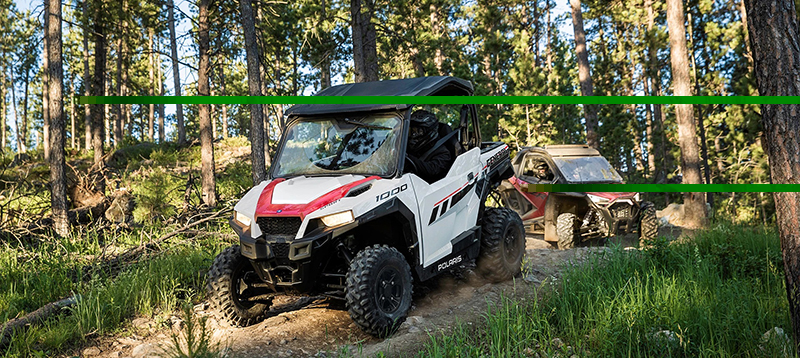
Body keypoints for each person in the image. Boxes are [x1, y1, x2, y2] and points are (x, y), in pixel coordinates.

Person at [406, 110, 451, 183]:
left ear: (429, 132)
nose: (413, 135)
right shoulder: (408, 145)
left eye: (417, 131)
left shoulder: (443, 153)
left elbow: (431, 170)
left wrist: (405, 157)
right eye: (411, 131)